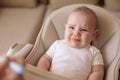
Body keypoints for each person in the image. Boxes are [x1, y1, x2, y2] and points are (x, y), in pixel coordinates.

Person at [37, 7, 104, 80]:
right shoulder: (57, 44)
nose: (76, 33)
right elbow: (45, 59)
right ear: (65, 28)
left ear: (93, 35)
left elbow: (97, 71)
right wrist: (41, 73)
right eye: (72, 27)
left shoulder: (94, 52)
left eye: (84, 30)